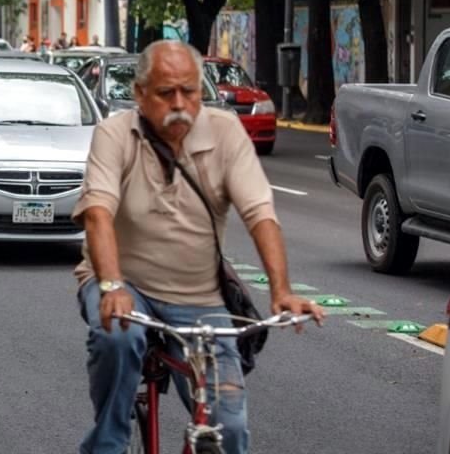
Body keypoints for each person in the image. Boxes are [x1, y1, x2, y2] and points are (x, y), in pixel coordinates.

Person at [71, 40, 324, 454]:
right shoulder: (114, 134)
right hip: (124, 287)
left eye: (189, 91)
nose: (179, 103)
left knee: (229, 428)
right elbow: (98, 213)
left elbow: (260, 214)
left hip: (199, 298)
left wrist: (281, 290)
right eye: (165, 92)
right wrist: (113, 285)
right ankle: (107, 443)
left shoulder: (225, 132)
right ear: (139, 95)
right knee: (118, 338)